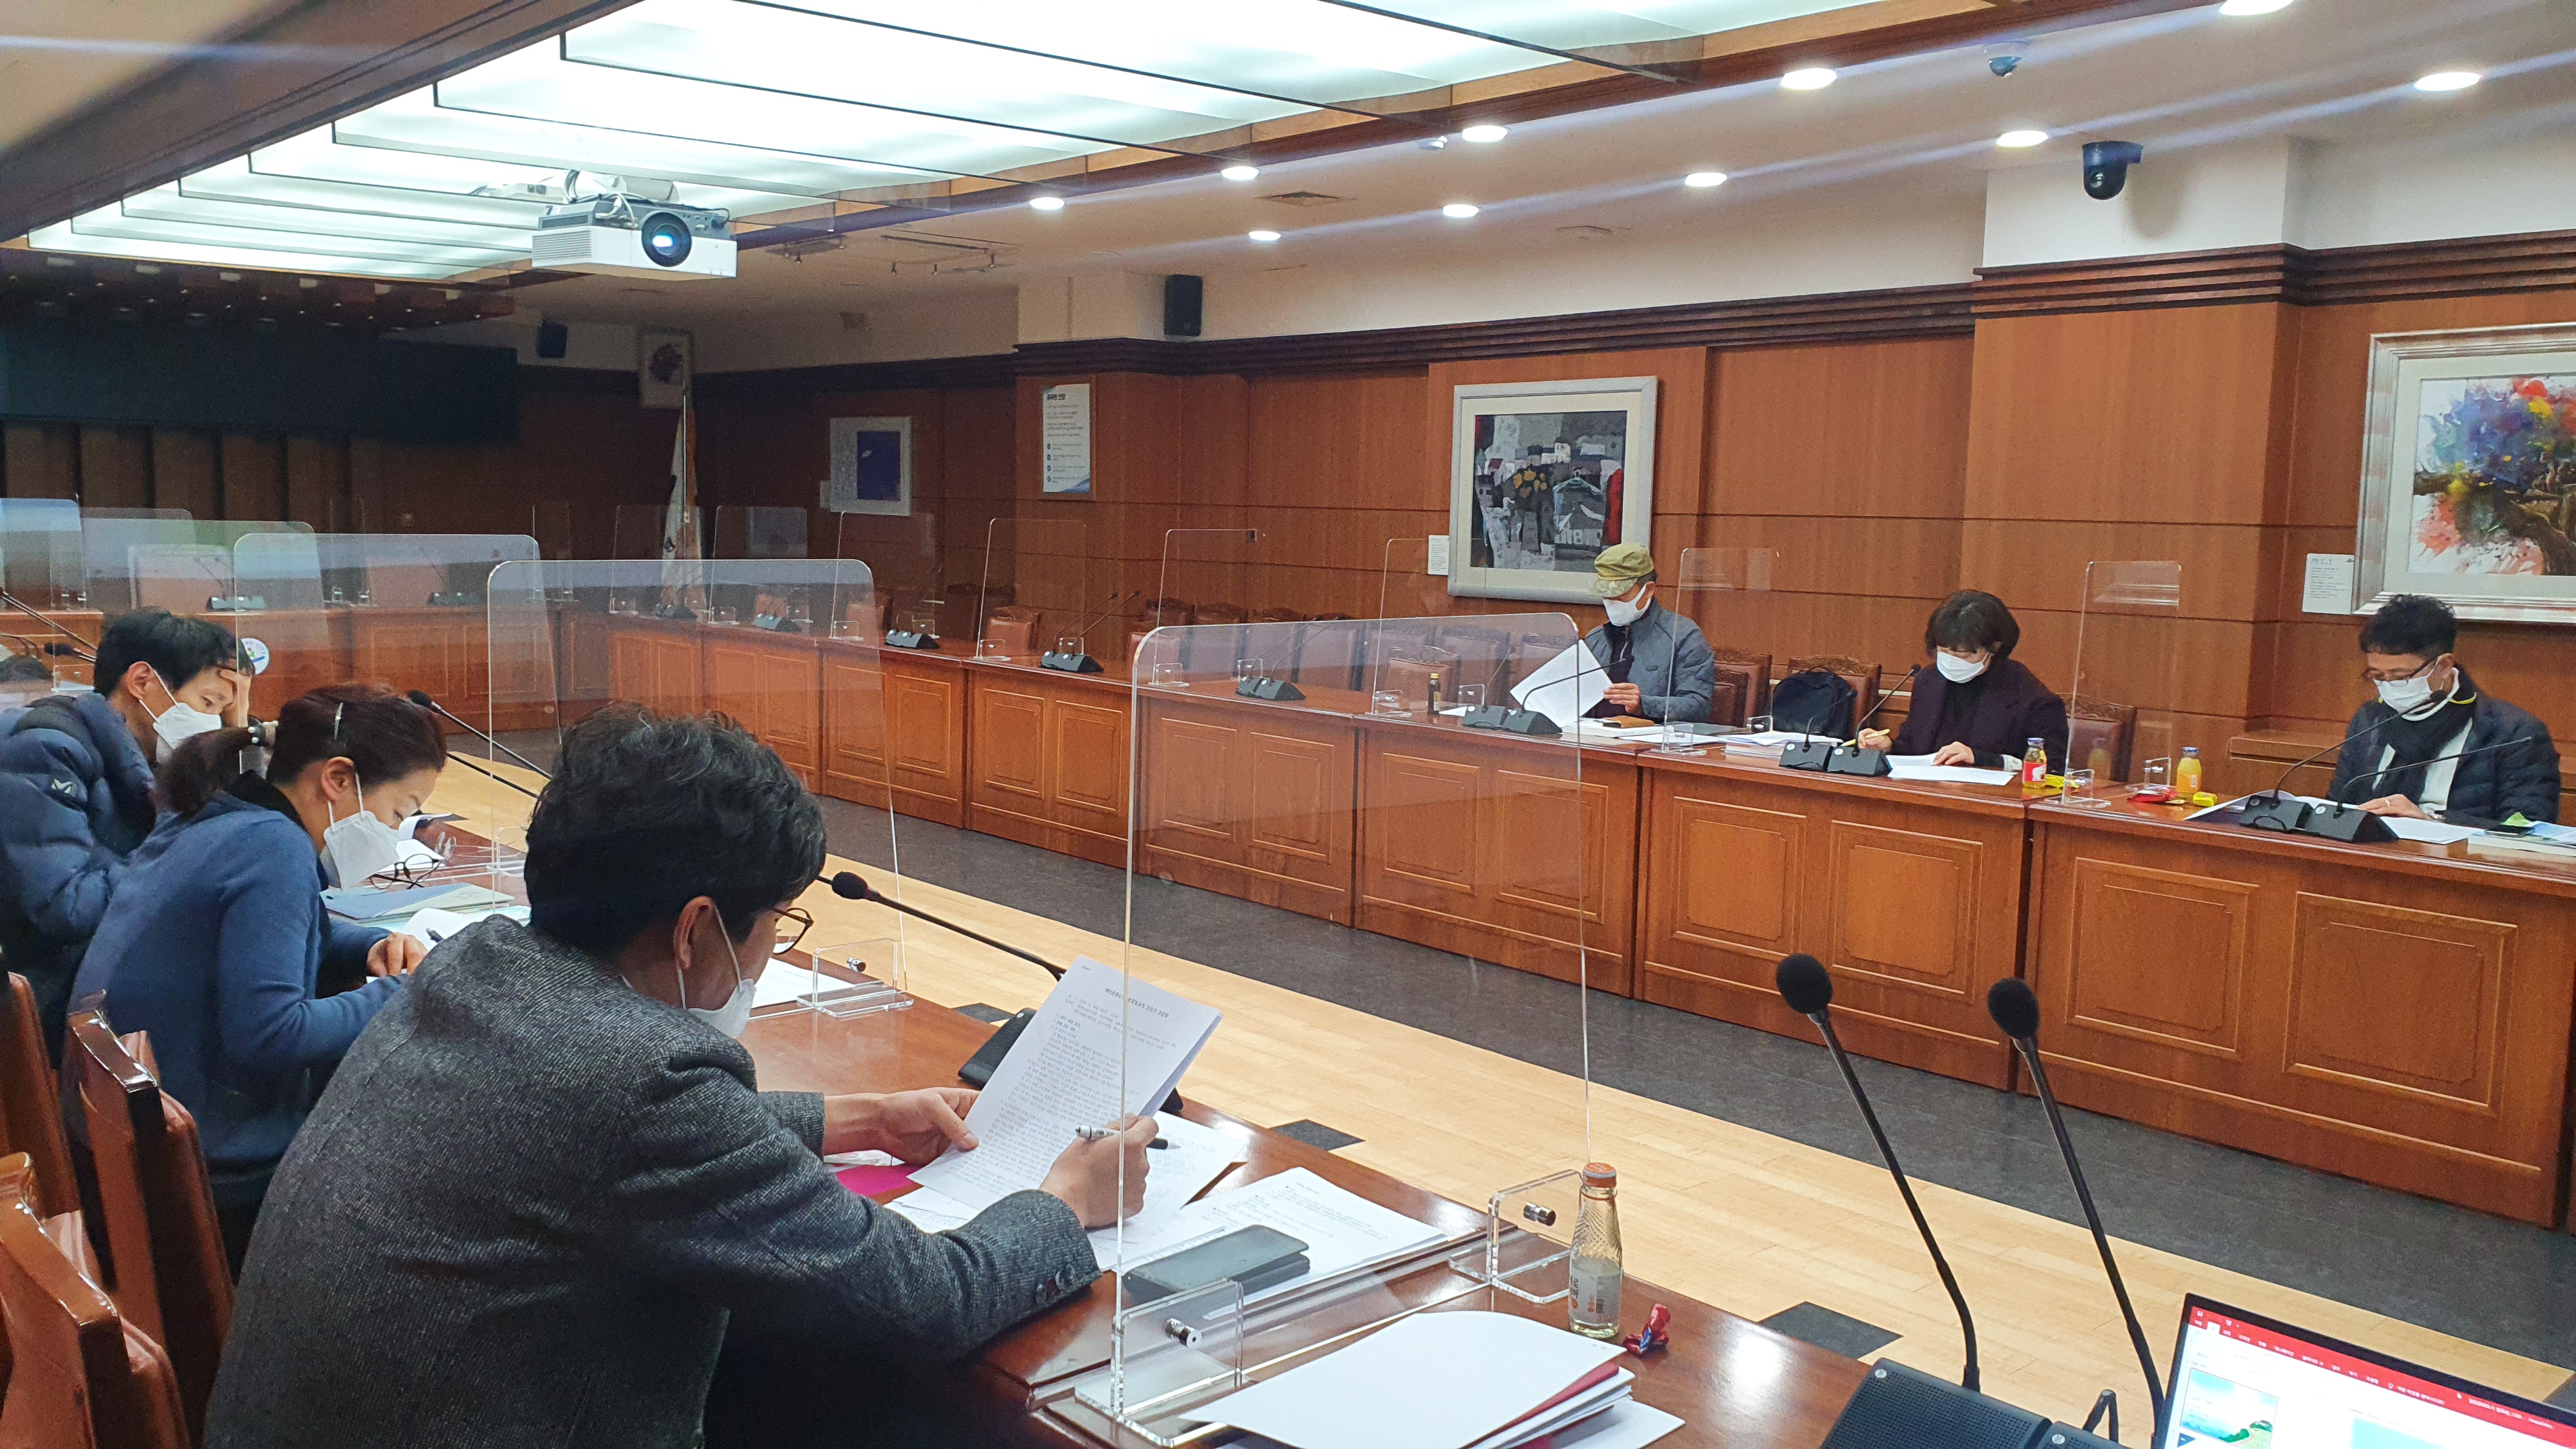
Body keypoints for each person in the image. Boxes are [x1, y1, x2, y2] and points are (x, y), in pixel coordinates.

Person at [205, 707, 1153, 1449]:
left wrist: (850, 1118)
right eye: (775, 921)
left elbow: (593, 1144)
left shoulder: (475, 969)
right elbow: (925, 1300)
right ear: (697, 928)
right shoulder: (640, 1079)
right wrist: (1065, 1204)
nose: (772, 946)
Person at [70, 683, 441, 1266]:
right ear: (337, 779)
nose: (397, 835)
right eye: (400, 813)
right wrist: (408, 990)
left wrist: (370, 948)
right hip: (199, 1191)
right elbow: (271, 1033)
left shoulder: (216, 814)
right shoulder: (275, 849)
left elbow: (275, 937)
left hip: (116, 1157)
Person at [0, 607, 243, 1059]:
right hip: (62, 1000)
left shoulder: (158, 760)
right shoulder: (46, 749)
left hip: (120, 977)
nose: (212, 723)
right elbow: (62, 908)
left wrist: (238, 735)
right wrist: (181, 857)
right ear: (143, 682)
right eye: (209, 704)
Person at [2329, 594, 2559, 823]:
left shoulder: (2514, 733)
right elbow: (2338, 809)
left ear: (2444, 665)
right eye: (2378, 676)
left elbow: (2526, 829)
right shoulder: (2370, 720)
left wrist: (2431, 824)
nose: (2389, 686)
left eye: (2401, 676)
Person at [1862, 590, 2069, 771]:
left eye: (1963, 655)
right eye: (1944, 652)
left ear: (1995, 648)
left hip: (1988, 800)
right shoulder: (1929, 681)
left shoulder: (2033, 699)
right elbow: (1915, 749)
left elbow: (2052, 769)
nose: (1952, 661)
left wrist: (1981, 759)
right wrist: (1889, 747)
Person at [1583, 542, 1716, 724]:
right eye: (1606, 595)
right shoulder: (1595, 639)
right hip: (1592, 735)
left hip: (1650, 737)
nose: (1612, 601)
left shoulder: (1684, 637)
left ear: (1649, 589)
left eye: (1620, 594)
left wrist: (1643, 704)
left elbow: (1699, 706)